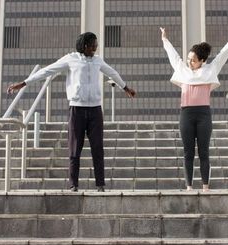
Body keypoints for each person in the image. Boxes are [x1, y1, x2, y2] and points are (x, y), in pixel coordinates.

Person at [7, 32, 136, 192]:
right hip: (77, 109)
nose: (96, 47)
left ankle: (100, 184)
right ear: (85, 46)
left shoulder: (97, 60)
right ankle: (73, 184)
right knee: (75, 148)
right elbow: (47, 71)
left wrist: (125, 87)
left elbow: (112, 73)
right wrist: (24, 82)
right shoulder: (70, 59)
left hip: (95, 110)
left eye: (96, 44)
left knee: (98, 148)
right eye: (93, 45)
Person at [160, 26, 228, 192]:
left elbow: (222, 56)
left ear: (202, 61)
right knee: (188, 152)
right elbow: (172, 55)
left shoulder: (210, 69)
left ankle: (206, 187)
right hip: (186, 114)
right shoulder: (182, 69)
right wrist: (164, 39)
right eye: (189, 59)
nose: (189, 62)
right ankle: (189, 186)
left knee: (204, 151)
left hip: (203, 114)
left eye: (193, 60)